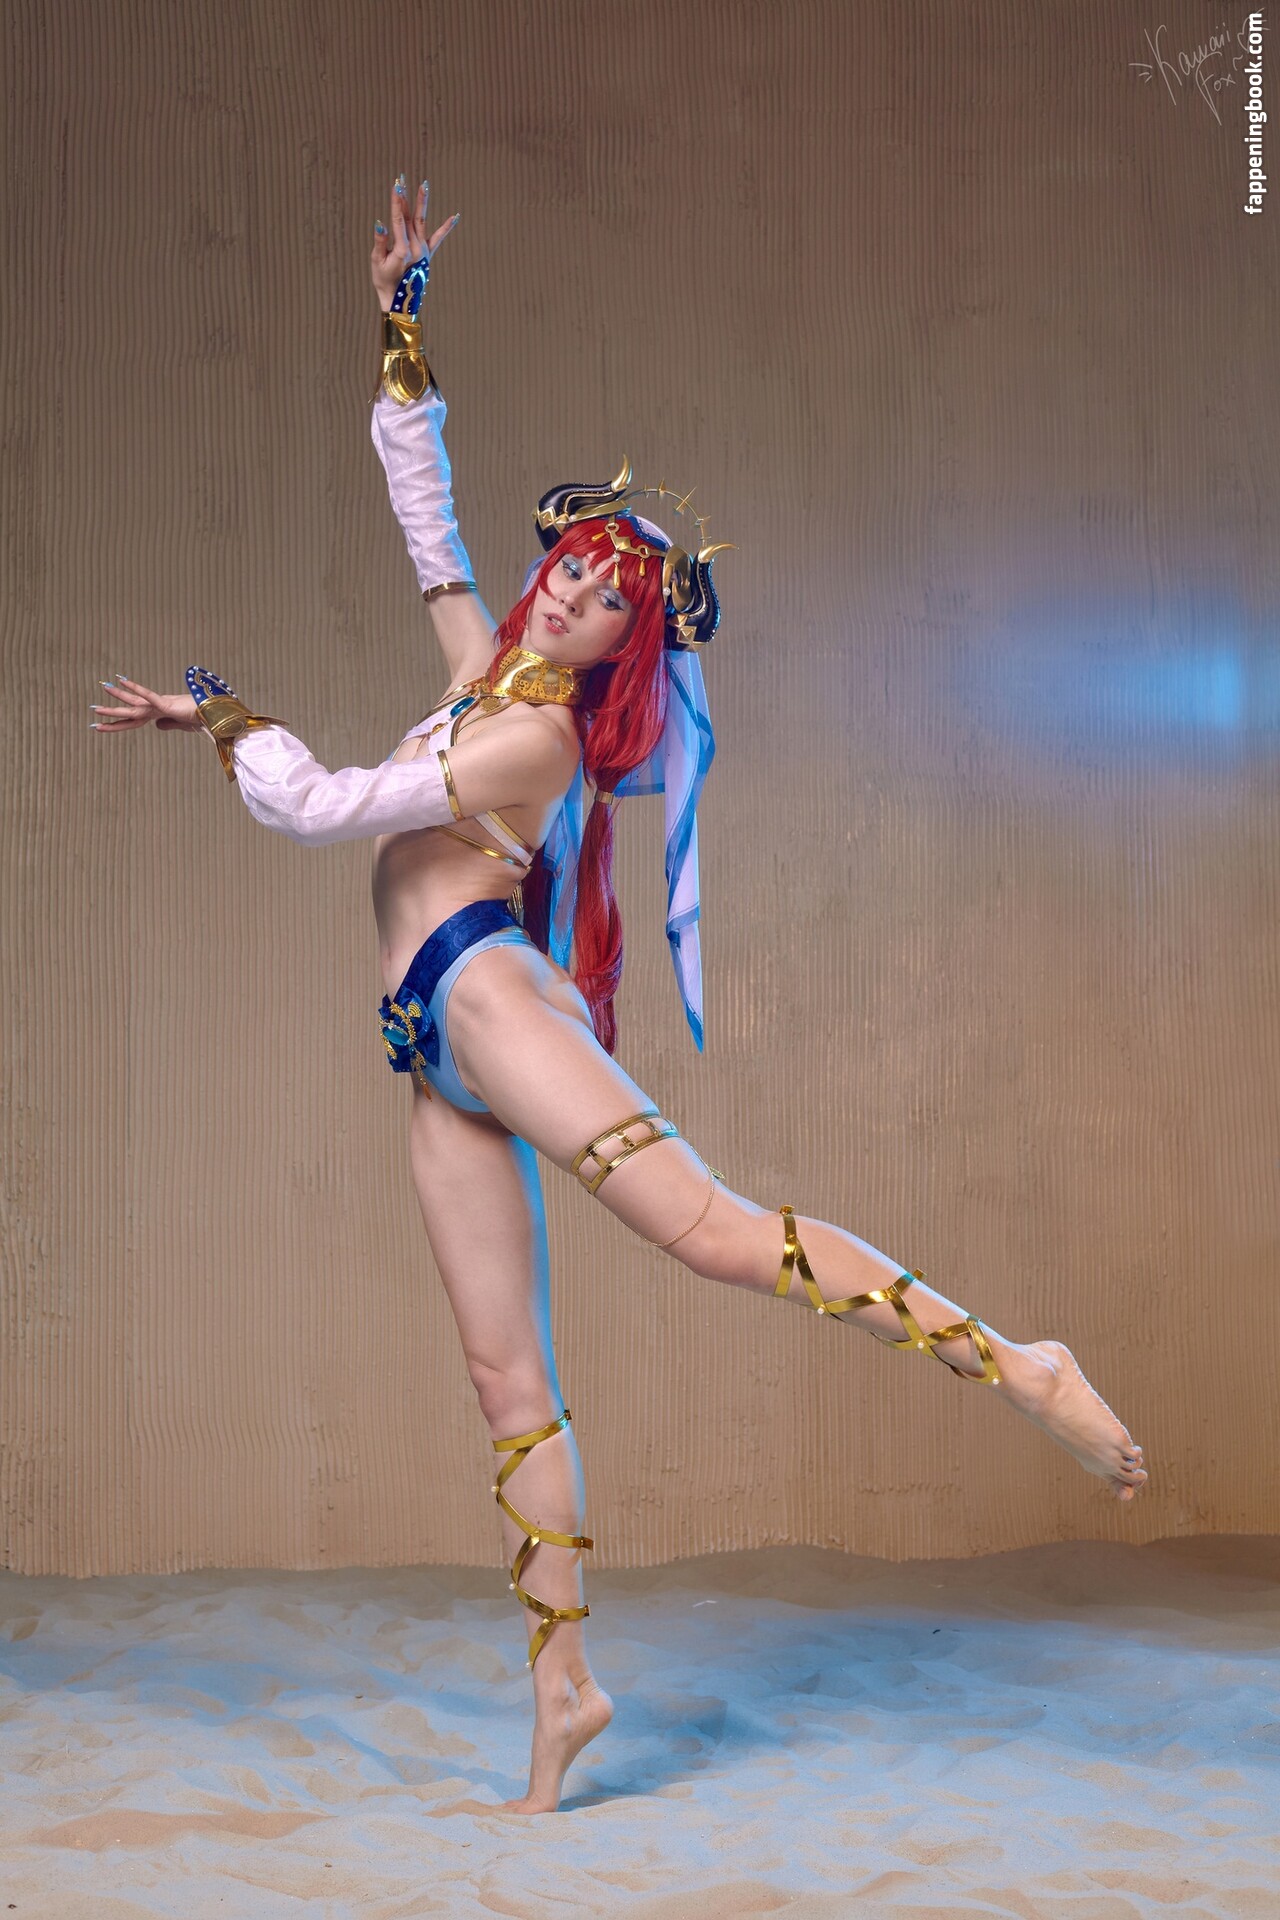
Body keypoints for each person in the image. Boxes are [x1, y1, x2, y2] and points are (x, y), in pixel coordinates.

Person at [91, 172, 1147, 1815]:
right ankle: (566, 1688)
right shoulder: (484, 670)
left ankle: (1018, 1359)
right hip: (428, 1046)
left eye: (607, 604)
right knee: (504, 1384)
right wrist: (402, 324)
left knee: (711, 1232)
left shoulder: (529, 734)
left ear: (622, 650)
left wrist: (229, 718)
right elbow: (424, 516)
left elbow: (319, 809)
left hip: (488, 998)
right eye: (573, 574)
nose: (576, 601)